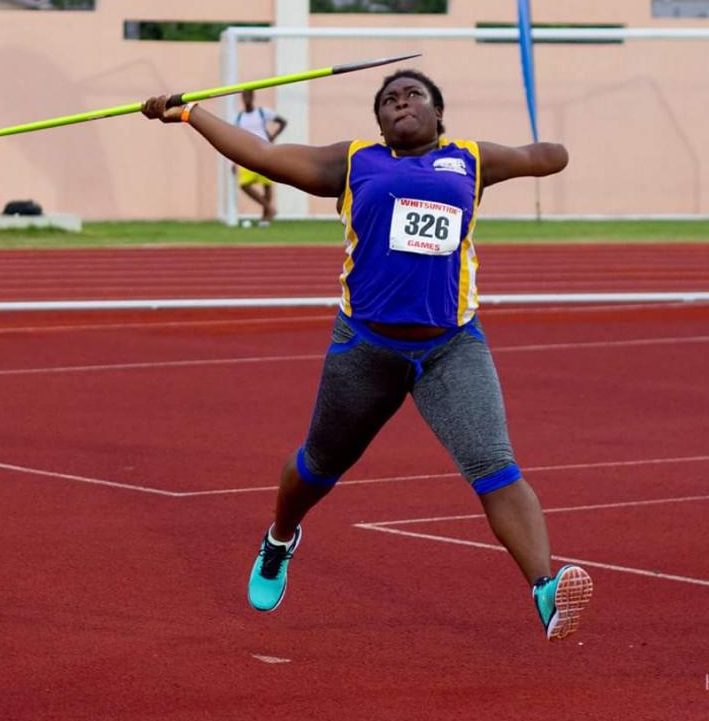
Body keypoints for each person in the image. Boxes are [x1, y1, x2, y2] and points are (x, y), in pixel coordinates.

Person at [140, 69, 593, 642]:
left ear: (438, 113)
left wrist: (542, 152)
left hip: (451, 348)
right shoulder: (355, 163)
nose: (401, 103)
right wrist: (189, 113)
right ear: (378, 122)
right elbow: (261, 152)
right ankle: (280, 539)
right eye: (388, 101)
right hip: (366, 347)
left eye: (414, 96)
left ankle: (545, 589)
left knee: (495, 468)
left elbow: (549, 157)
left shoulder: (470, 160)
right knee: (317, 467)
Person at [232, 89, 287, 225]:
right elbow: (234, 140)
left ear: (253, 96)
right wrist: (234, 162)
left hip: (265, 152)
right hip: (247, 155)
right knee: (244, 185)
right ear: (242, 98)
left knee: (267, 185)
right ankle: (269, 208)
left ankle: (265, 217)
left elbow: (282, 122)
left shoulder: (262, 113)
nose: (247, 99)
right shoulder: (238, 118)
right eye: (244, 96)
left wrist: (273, 136)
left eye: (249, 96)